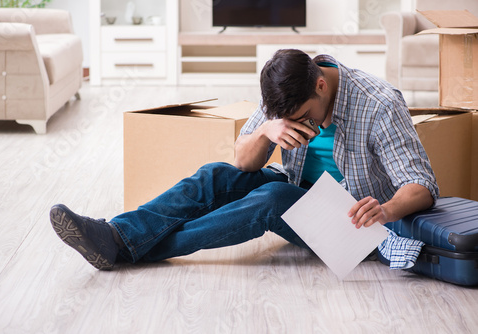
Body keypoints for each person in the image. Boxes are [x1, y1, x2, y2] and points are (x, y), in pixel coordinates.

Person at [50, 49, 439, 271]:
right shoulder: (286, 91)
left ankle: (124, 248)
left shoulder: (379, 104)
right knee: (216, 175)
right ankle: (117, 234)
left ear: (321, 84)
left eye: (304, 115)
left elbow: (422, 186)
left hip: (356, 225)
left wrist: (385, 210)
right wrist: (268, 131)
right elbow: (243, 163)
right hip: (300, 196)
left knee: (270, 203)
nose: (301, 124)